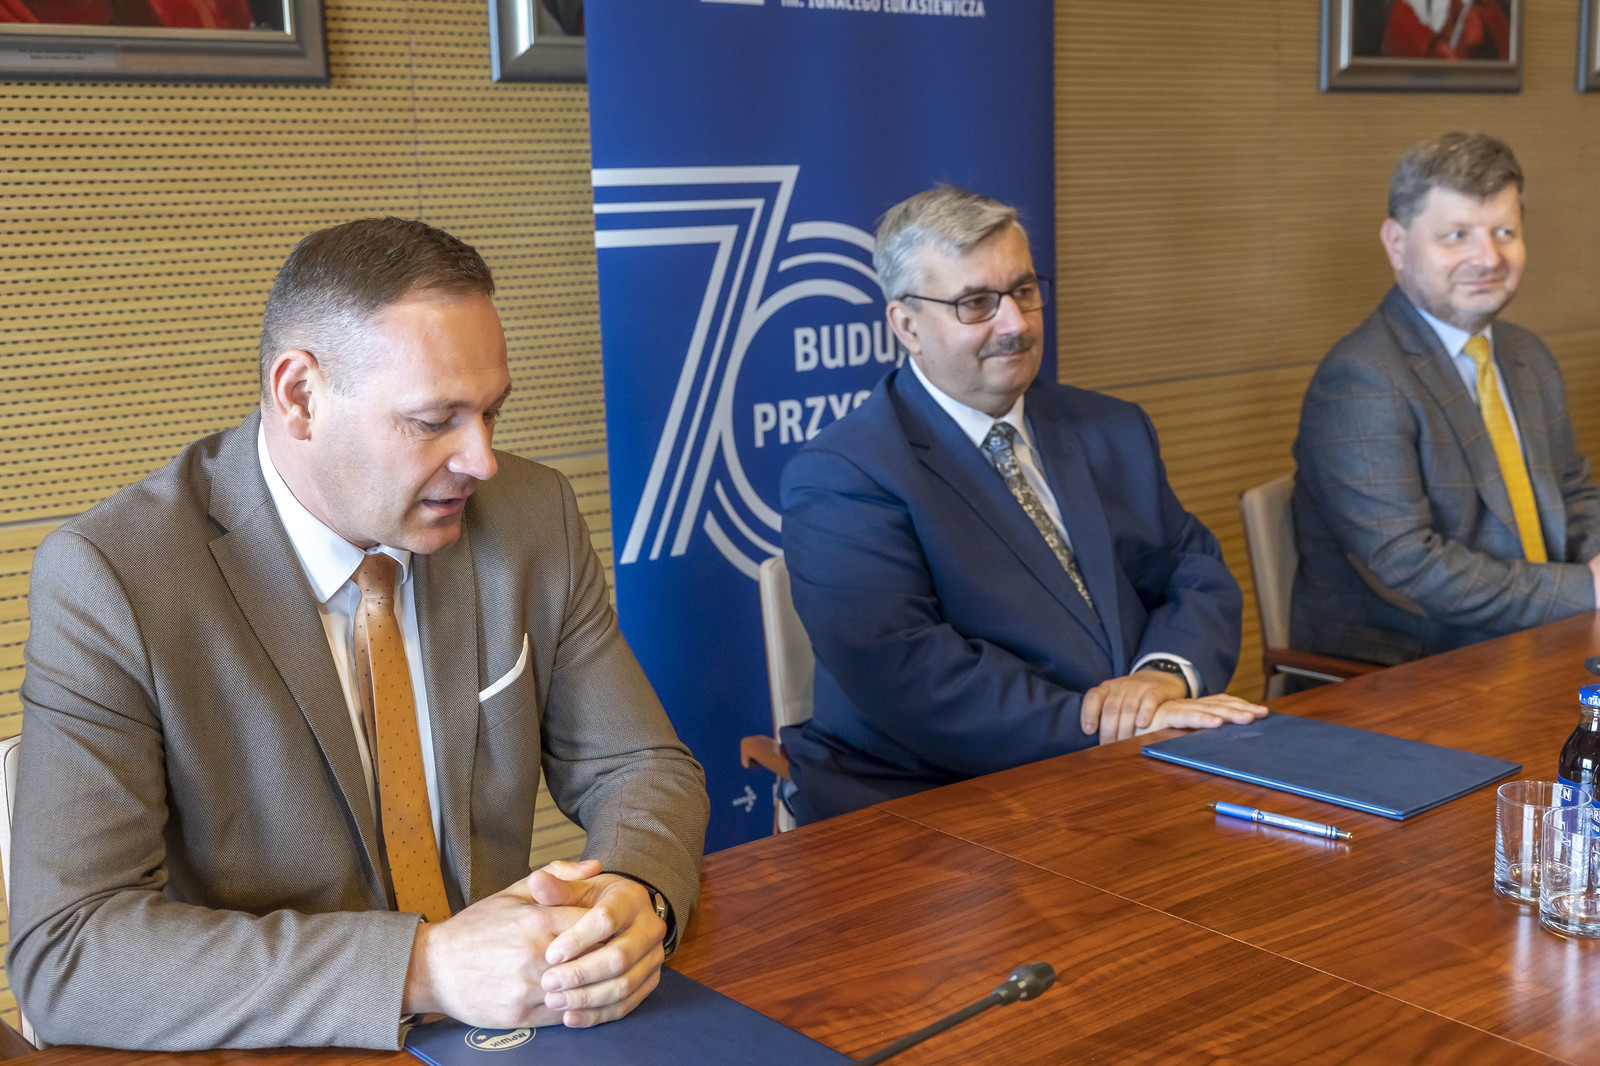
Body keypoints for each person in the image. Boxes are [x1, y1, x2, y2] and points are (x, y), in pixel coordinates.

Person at [8, 217, 709, 1050]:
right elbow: (69, 952)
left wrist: (632, 896)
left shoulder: (532, 517)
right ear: (300, 396)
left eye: (491, 412)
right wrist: (424, 967)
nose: (483, 460)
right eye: (434, 420)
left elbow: (640, 765)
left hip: (515, 1032)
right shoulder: (114, 578)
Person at [777, 185, 1266, 825]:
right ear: (907, 325)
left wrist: (1161, 678)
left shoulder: (1111, 427)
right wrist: (1104, 723)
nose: (1015, 324)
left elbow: (1192, 571)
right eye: (976, 303)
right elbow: (909, 674)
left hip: (1131, 768)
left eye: (1024, 291)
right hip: (933, 802)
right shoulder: (843, 474)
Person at [1292, 132, 1600, 667]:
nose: (1488, 257)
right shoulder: (1362, 378)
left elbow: (1573, 496)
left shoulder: (1527, 355)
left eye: (1504, 232)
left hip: (1548, 641)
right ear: (1396, 243)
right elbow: (1407, 564)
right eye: (1457, 235)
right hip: (1417, 673)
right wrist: (1584, 590)